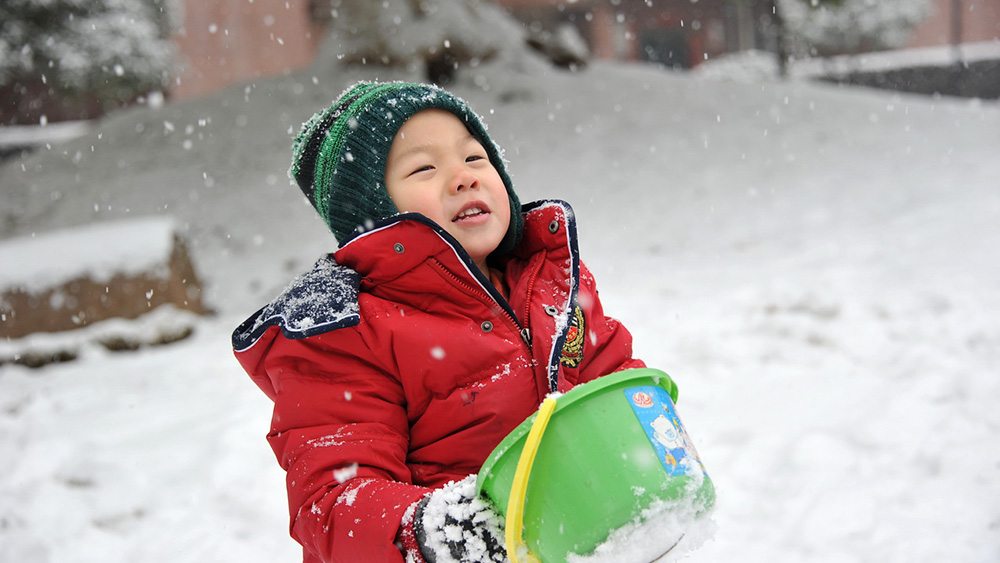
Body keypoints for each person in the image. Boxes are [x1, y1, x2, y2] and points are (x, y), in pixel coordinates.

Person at [232, 81, 645, 563]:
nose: (463, 178)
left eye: (474, 159)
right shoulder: (345, 334)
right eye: (424, 168)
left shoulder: (549, 282)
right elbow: (332, 503)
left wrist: (647, 442)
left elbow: (614, 383)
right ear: (373, 212)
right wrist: (439, 530)